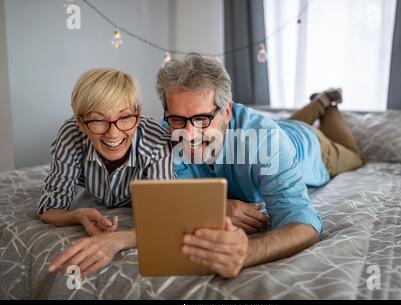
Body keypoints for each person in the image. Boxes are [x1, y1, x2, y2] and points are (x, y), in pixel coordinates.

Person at [157, 53, 364, 278]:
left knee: (354, 156)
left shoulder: (265, 139)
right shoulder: (166, 131)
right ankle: (317, 104)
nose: (187, 135)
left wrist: (246, 253)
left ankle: (327, 105)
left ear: (226, 112)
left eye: (202, 120)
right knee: (278, 127)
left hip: (312, 146)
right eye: (177, 119)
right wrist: (213, 207)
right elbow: (164, 197)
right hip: (277, 129)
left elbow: (304, 224)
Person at [39, 68, 174, 277]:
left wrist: (117, 240)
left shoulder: (156, 140)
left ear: (137, 117)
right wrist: (77, 215)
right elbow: (49, 209)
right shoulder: (70, 135)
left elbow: (165, 219)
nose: (113, 132)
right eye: (98, 120)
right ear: (81, 123)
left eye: (125, 117)